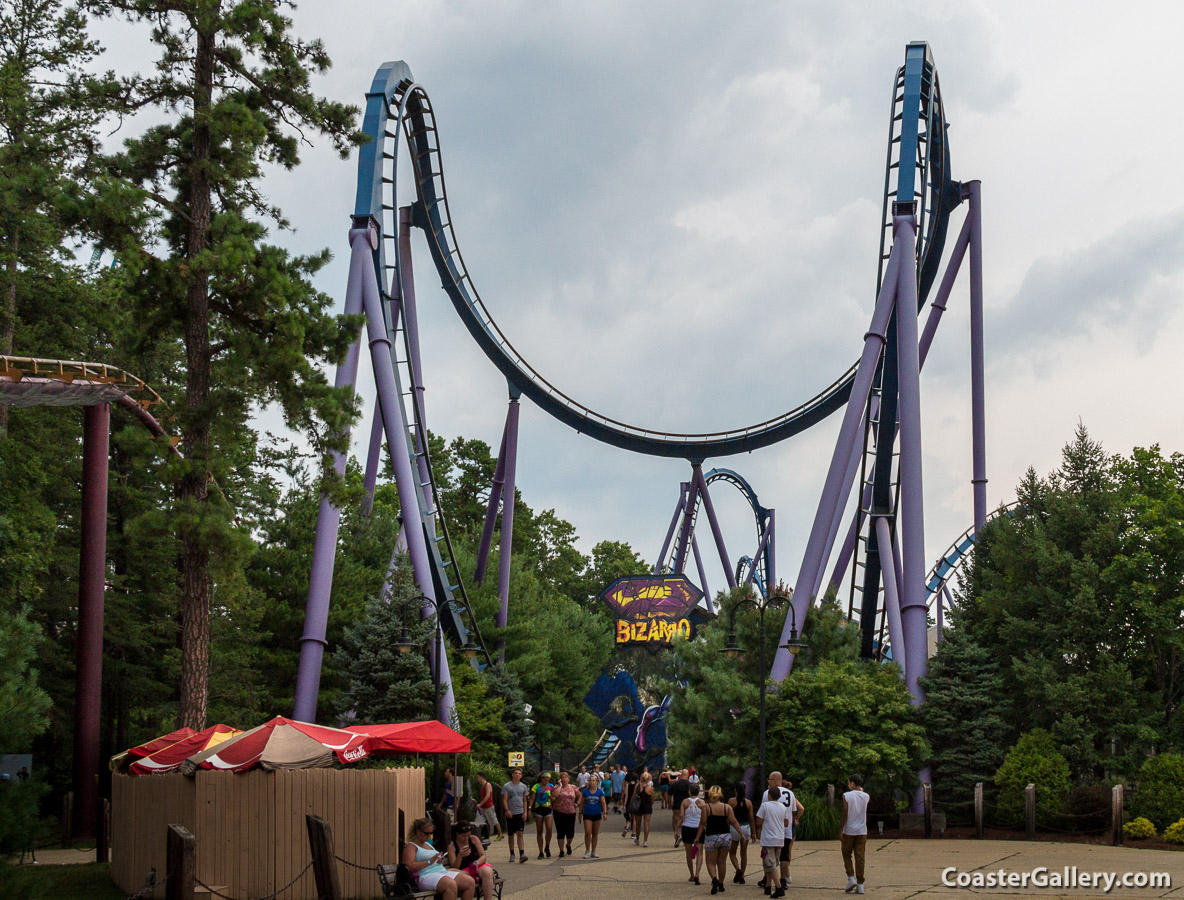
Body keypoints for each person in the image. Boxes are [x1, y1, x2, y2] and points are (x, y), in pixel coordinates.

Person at [403, 816, 476, 900]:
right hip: (425, 875)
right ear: (417, 832)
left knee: (470, 882)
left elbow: (433, 860)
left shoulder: (428, 844)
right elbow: (409, 866)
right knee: (450, 885)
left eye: (431, 833)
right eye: (426, 833)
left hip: (441, 871)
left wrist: (438, 860)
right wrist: (429, 861)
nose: (429, 836)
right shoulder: (411, 846)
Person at [758, 771, 802, 891]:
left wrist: (759, 829)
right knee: (784, 856)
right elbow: (793, 811)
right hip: (785, 830)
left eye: (770, 779)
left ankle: (769, 880)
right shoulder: (790, 794)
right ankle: (783, 879)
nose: (769, 781)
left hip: (771, 830)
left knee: (768, 857)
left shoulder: (767, 793)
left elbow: (763, 811)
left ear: (776, 780)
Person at [696, 785, 741, 894]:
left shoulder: (707, 808)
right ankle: (721, 884)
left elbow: (702, 823)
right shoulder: (727, 807)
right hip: (725, 836)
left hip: (712, 836)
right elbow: (733, 821)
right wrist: (741, 834)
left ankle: (714, 879)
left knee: (710, 862)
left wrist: (697, 837)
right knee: (722, 862)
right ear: (721, 795)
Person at [755, 788, 789, 899]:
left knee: (770, 864)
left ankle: (778, 887)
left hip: (768, 839)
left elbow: (759, 822)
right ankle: (768, 886)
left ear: (769, 795)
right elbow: (786, 823)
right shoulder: (783, 807)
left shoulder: (765, 806)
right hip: (779, 838)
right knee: (773, 863)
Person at [447, 821, 495, 900]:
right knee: (456, 873)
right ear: (457, 834)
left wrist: (476, 863)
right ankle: (476, 878)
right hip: (463, 870)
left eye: (468, 835)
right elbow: (454, 866)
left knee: (487, 872)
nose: (466, 838)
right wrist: (460, 856)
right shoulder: (452, 846)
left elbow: (483, 856)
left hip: (476, 866)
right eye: (463, 836)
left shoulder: (474, 839)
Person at [841, 773, 869, 895]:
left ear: (852, 783)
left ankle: (851, 877)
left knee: (846, 853)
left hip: (849, 829)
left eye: (849, 783)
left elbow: (845, 813)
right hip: (862, 830)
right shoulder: (866, 796)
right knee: (860, 856)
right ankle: (860, 883)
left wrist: (841, 829)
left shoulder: (846, 796)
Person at [678, 782, 706, 884]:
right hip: (698, 828)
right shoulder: (702, 803)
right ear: (698, 792)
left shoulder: (685, 802)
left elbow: (681, 816)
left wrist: (677, 828)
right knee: (700, 853)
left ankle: (691, 874)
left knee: (688, 853)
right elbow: (705, 817)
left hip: (687, 828)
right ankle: (697, 872)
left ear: (689, 792)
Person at [727, 782, 754, 884]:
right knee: (744, 853)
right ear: (745, 790)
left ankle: (737, 869)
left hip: (734, 828)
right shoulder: (748, 803)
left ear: (735, 790)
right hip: (746, 828)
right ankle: (742, 875)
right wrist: (754, 832)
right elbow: (751, 818)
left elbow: (728, 816)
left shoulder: (731, 801)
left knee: (732, 852)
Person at [501, 768, 529, 863]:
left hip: (520, 812)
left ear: (521, 776)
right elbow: (504, 799)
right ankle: (512, 853)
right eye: (516, 773)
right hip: (511, 813)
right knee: (511, 834)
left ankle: (522, 853)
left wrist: (525, 812)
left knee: (520, 833)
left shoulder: (523, 787)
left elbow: (525, 800)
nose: (517, 775)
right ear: (513, 775)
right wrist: (507, 810)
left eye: (519, 773)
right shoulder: (507, 786)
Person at [551, 771, 580, 858]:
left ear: (568, 779)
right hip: (559, 812)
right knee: (560, 832)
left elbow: (580, 795)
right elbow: (554, 796)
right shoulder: (557, 787)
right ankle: (561, 850)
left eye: (565, 777)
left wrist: (577, 803)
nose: (564, 779)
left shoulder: (573, 787)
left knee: (570, 832)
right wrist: (560, 785)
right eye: (562, 777)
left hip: (571, 812)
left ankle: (568, 844)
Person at [578, 773, 608, 858]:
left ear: (596, 782)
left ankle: (593, 851)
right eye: (590, 780)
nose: (592, 782)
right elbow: (582, 803)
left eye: (593, 781)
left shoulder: (600, 792)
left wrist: (605, 813)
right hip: (587, 814)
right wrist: (580, 813)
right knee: (588, 832)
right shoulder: (585, 792)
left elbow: (603, 803)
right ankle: (587, 850)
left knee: (595, 833)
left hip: (597, 814)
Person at [529, 771, 555, 858]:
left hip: (548, 809)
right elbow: (532, 798)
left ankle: (547, 846)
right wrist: (529, 809)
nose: (546, 781)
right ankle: (540, 851)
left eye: (548, 779)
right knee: (539, 831)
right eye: (545, 779)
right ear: (541, 778)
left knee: (549, 828)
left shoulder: (551, 787)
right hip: (539, 809)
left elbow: (554, 799)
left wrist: (550, 796)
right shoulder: (536, 787)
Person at [474, 774, 503, 842]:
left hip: (488, 806)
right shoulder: (482, 786)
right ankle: (478, 835)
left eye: (478, 777)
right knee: (478, 821)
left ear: (481, 777)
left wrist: (480, 803)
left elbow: (487, 795)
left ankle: (500, 833)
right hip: (482, 807)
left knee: (493, 819)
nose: (477, 778)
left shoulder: (488, 785)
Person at [632, 770, 655, 846]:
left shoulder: (638, 786)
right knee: (646, 823)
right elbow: (652, 799)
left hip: (639, 806)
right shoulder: (650, 788)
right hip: (647, 806)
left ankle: (637, 839)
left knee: (638, 823)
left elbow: (633, 796)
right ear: (648, 779)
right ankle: (645, 841)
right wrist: (650, 805)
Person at [669, 768, 691, 844]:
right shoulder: (690, 785)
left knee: (676, 822)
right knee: (686, 822)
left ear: (681, 775)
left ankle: (677, 837)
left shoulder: (675, 784)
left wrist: (669, 803)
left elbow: (669, 794)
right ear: (688, 775)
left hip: (677, 806)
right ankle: (686, 838)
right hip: (688, 807)